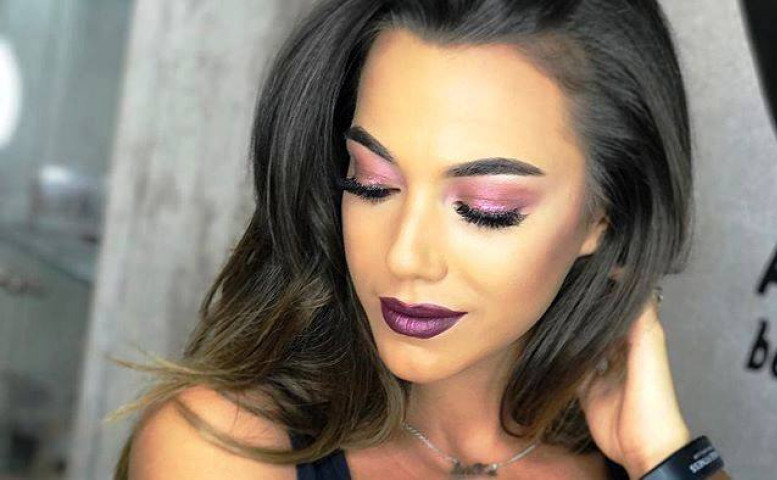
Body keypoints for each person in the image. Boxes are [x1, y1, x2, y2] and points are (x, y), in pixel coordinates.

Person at [113, 0, 732, 478]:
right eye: (372, 184)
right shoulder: (221, 450)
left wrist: (662, 455)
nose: (405, 255)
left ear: (605, 215)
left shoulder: (635, 462)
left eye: (484, 209)